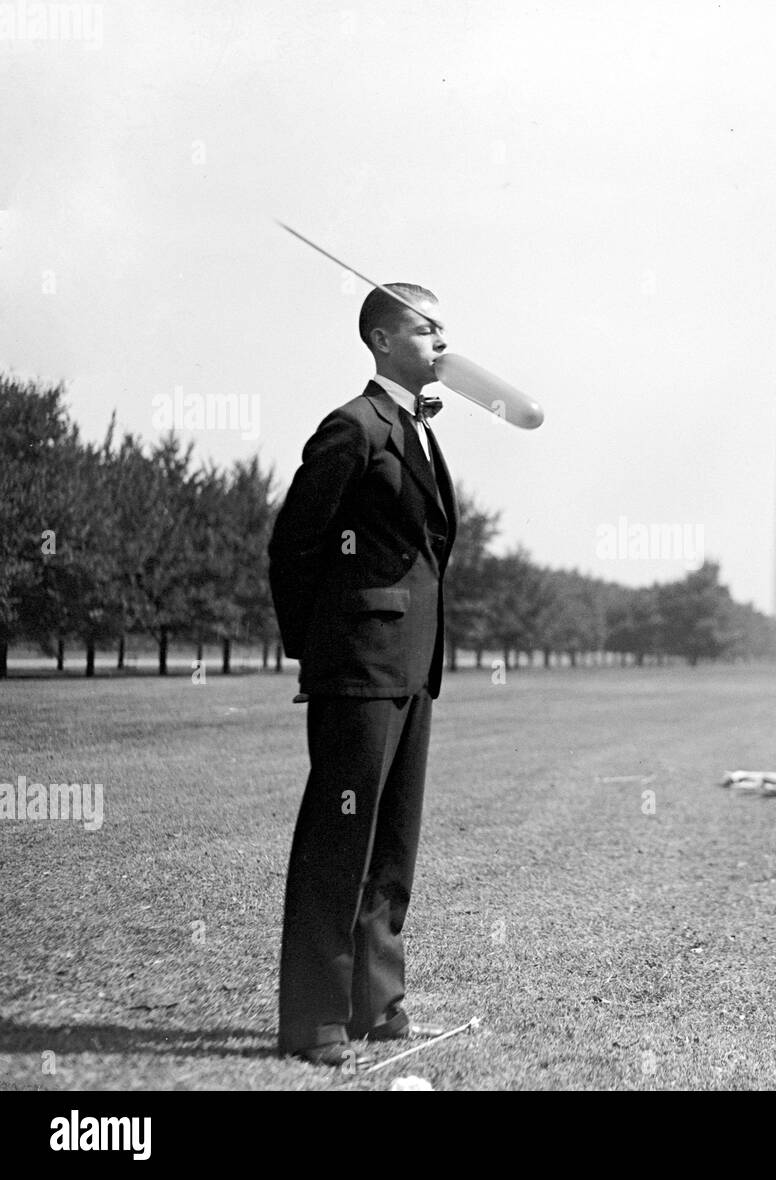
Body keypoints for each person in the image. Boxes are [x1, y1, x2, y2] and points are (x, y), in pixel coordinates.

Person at [268, 283, 458, 1068]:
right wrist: (325, 649)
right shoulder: (353, 427)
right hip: (359, 666)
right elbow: (293, 547)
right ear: (383, 340)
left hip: (411, 667)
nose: (442, 343)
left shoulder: (411, 426)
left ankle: (375, 1002)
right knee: (339, 842)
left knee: (392, 844)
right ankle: (315, 1019)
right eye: (426, 329)